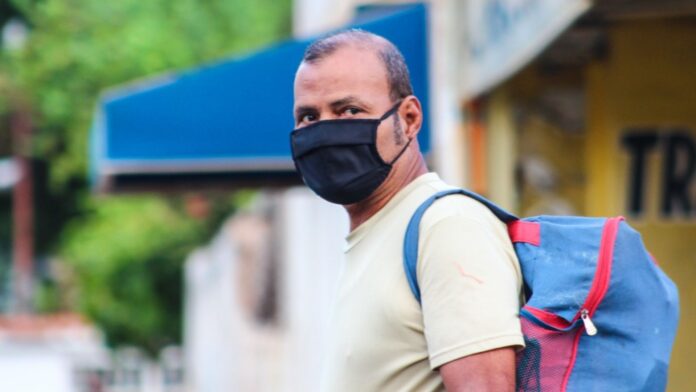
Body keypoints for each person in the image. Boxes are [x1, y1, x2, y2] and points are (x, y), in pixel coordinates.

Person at [290, 29, 524, 391]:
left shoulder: (447, 227)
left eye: (349, 110)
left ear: (410, 118)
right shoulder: (378, 233)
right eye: (308, 117)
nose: (324, 132)